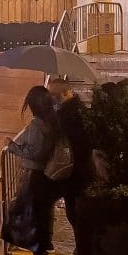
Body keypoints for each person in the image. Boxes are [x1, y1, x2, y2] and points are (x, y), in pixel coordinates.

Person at [2, 86, 60, 255]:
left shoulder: (36, 125)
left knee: (27, 219)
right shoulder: (52, 122)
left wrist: (12, 147)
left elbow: (34, 154)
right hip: (45, 178)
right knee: (39, 220)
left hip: (34, 177)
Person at [47, 79, 92, 236]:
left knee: (77, 215)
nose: (53, 98)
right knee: (77, 215)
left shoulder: (69, 115)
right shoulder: (76, 110)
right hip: (79, 172)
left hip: (75, 173)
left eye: (55, 94)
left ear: (66, 93)